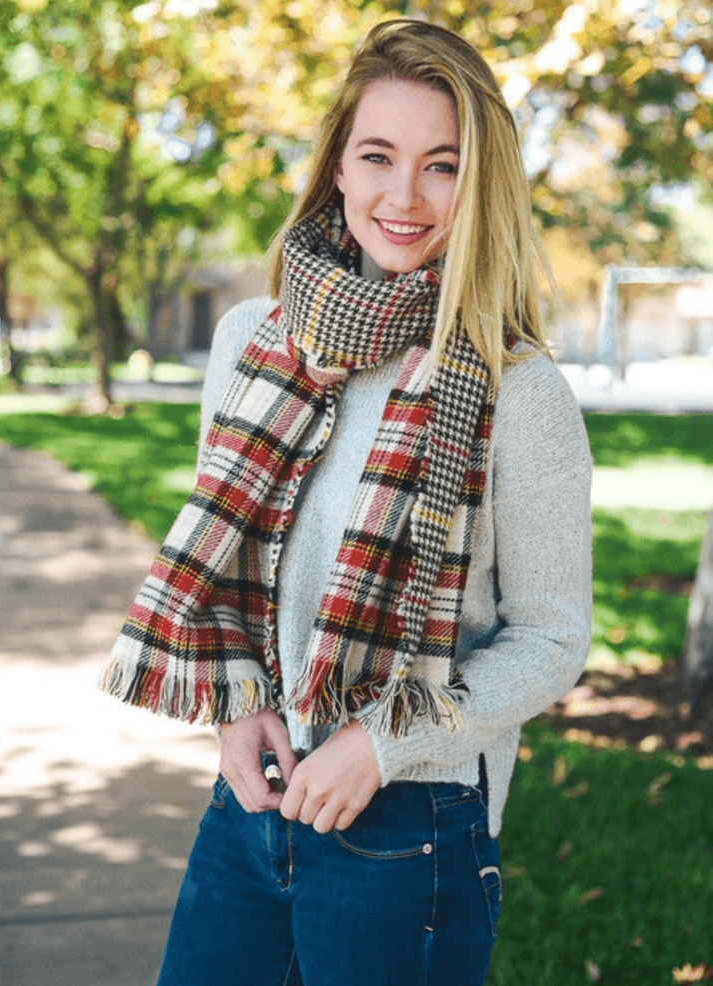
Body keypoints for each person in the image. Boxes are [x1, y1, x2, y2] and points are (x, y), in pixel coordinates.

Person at [100, 18, 592, 986]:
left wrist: (381, 739)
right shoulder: (252, 339)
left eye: (441, 167)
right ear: (336, 166)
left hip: (413, 826)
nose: (402, 197)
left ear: (478, 184)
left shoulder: (516, 387)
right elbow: (232, 572)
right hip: (254, 800)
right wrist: (235, 713)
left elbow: (550, 636)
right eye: (377, 155)